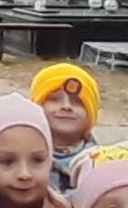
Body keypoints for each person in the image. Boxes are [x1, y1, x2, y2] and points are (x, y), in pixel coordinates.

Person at [28, 61, 103, 193]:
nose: (66, 107)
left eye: (77, 102)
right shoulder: (21, 159)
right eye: (54, 100)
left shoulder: (103, 163)